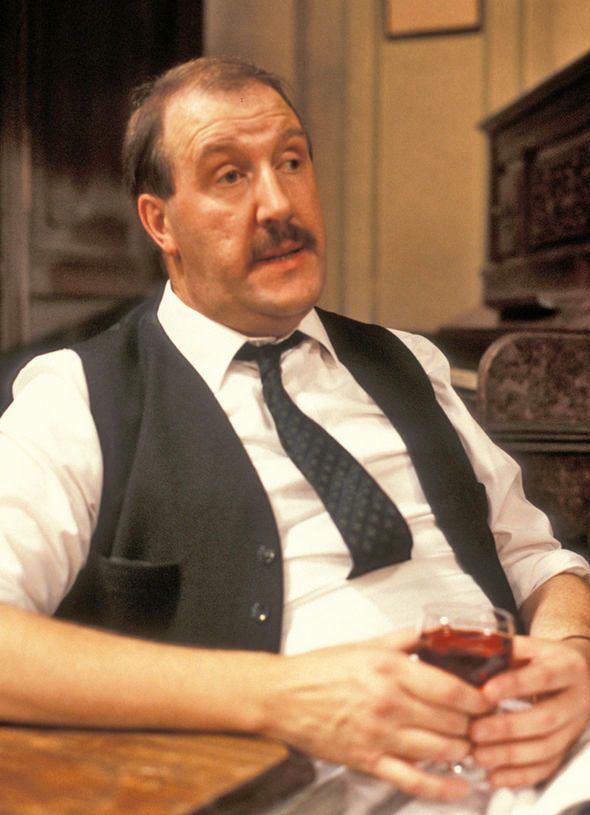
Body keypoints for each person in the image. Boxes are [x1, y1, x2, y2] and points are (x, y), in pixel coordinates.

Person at [0, 56, 589, 810]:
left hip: (544, 757)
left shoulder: (409, 362)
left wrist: (574, 659)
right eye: (229, 176)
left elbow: (536, 559)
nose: (279, 203)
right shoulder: (78, 396)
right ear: (160, 221)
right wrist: (282, 696)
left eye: (291, 160)